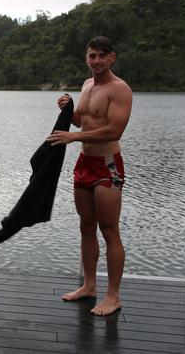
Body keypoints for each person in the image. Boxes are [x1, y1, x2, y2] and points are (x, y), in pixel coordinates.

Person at [46, 36, 132, 316]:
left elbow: (113, 131)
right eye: (92, 56)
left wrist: (74, 136)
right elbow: (83, 121)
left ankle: (113, 296)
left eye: (101, 56)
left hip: (107, 165)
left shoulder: (120, 89)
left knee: (109, 230)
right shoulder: (85, 86)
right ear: (87, 58)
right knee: (86, 226)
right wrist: (68, 109)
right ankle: (90, 286)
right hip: (84, 162)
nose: (96, 61)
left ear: (112, 58)